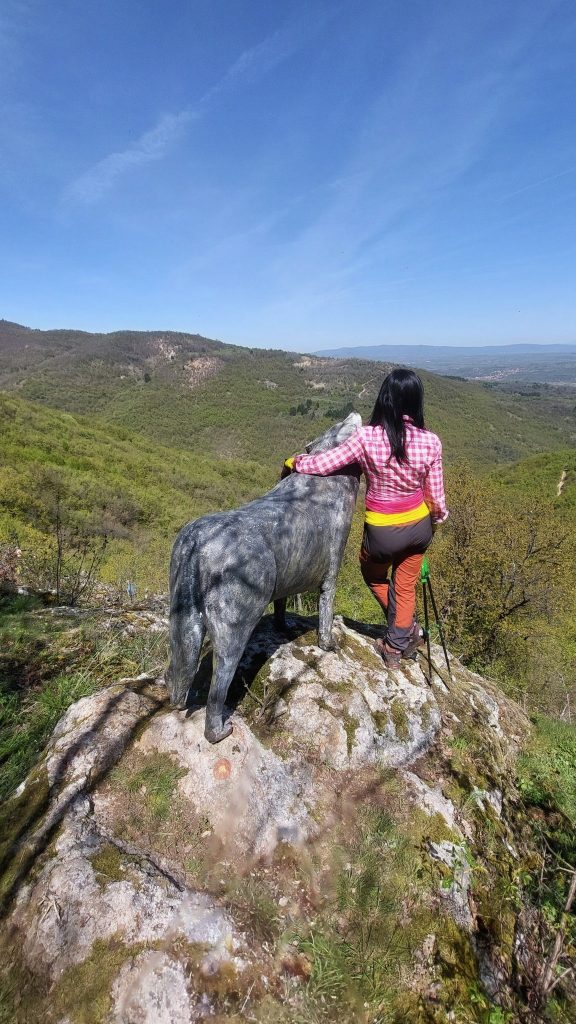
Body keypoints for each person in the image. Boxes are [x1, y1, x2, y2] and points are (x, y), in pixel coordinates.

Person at [286, 368, 448, 667]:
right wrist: (435, 522)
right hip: (419, 526)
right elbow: (436, 498)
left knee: (373, 575)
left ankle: (403, 635)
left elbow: (324, 464)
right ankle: (398, 643)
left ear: (385, 399)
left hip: (382, 531)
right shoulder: (431, 441)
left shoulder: (366, 437)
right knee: (405, 586)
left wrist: (295, 462)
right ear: (416, 401)